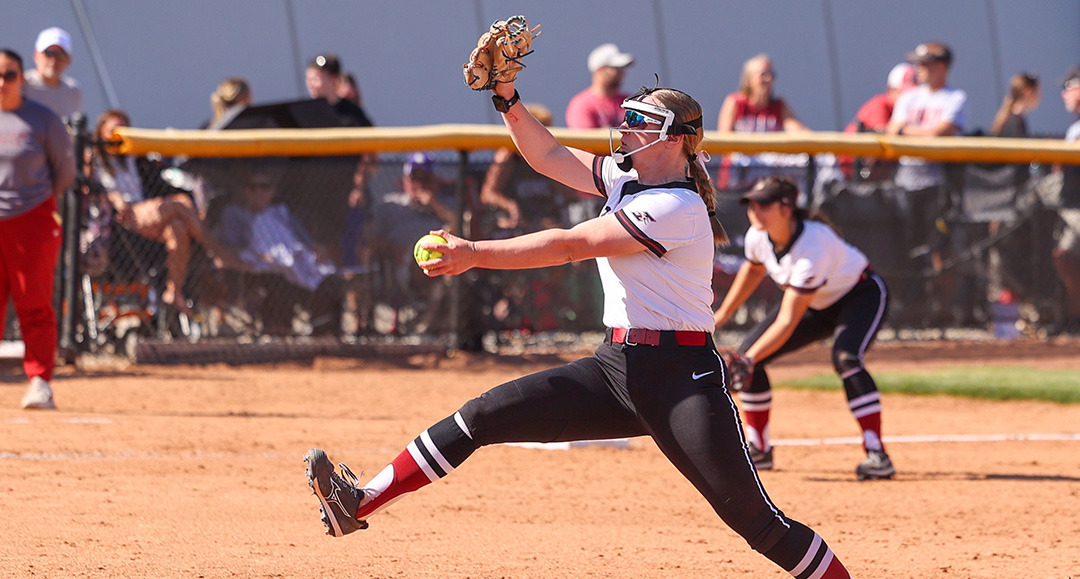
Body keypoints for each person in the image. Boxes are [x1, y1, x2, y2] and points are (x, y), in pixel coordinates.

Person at [303, 70, 852, 577]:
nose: (625, 127)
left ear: (675, 139)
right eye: (627, 116)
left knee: (758, 524)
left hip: (682, 380)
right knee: (482, 416)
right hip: (615, 368)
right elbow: (545, 154)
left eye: (640, 121)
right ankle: (358, 503)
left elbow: (571, 245)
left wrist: (473, 252)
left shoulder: (677, 206)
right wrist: (507, 98)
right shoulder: (625, 179)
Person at [712, 176, 892, 479]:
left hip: (859, 296)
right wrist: (722, 315)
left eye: (763, 205)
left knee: (846, 358)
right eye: (751, 205)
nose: (754, 211)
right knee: (751, 358)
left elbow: (787, 321)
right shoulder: (759, 235)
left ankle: (877, 453)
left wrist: (748, 360)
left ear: (786, 209)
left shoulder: (813, 244)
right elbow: (753, 270)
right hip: (814, 303)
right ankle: (760, 450)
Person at [91, 109, 238, 316]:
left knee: (177, 227)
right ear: (101, 132)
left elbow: (160, 178)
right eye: (113, 130)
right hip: (119, 219)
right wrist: (113, 197)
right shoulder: (93, 159)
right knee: (181, 202)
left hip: (144, 215)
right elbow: (88, 191)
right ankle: (217, 252)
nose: (118, 135)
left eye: (123, 129)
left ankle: (174, 291)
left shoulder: (134, 158)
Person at [0, 48, 76, 409]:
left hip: (31, 218)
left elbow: (65, 171)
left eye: (9, 75)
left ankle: (40, 381)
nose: (2, 82)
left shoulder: (42, 120)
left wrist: (33, 200)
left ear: (22, 78)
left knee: (34, 302)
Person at [886, 41, 968, 325]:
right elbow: (893, 130)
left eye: (925, 64)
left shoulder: (955, 98)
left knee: (940, 248)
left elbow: (940, 133)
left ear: (941, 67)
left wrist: (909, 132)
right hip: (906, 184)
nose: (919, 69)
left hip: (938, 184)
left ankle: (941, 311)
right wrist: (923, 133)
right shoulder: (908, 97)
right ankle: (909, 308)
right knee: (906, 247)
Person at [214, 168, 345, 336]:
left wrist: (317, 250)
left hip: (295, 263)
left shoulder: (281, 213)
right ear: (246, 191)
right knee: (279, 281)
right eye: (253, 187)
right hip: (259, 269)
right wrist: (257, 255)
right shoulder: (235, 214)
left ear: (273, 191)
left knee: (331, 281)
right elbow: (229, 247)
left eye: (264, 187)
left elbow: (304, 241)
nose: (258, 192)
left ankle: (324, 336)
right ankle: (277, 335)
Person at [716, 54, 810, 190]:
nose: (769, 79)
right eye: (763, 74)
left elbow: (800, 132)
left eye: (772, 75)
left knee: (806, 161)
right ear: (749, 79)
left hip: (768, 175)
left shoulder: (778, 105)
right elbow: (724, 141)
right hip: (738, 176)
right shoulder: (735, 102)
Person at [1049, 66, 1080, 334]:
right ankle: (1073, 317)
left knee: (1065, 255)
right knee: (1064, 256)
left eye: (1069, 87)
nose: (1064, 94)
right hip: (1071, 203)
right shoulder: (1074, 126)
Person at [564, 43, 634, 130]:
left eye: (622, 69)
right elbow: (585, 137)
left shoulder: (629, 102)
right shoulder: (581, 104)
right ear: (600, 70)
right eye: (616, 69)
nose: (622, 74)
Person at [22, 27, 83, 121]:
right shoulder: (21, 84)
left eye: (60, 55)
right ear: (36, 55)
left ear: (69, 60)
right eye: (48, 53)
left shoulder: (73, 91)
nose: (54, 60)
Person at [989, 71, 1040, 138]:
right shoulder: (1015, 120)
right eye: (1038, 93)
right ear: (1028, 91)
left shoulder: (1012, 116)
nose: (1039, 98)